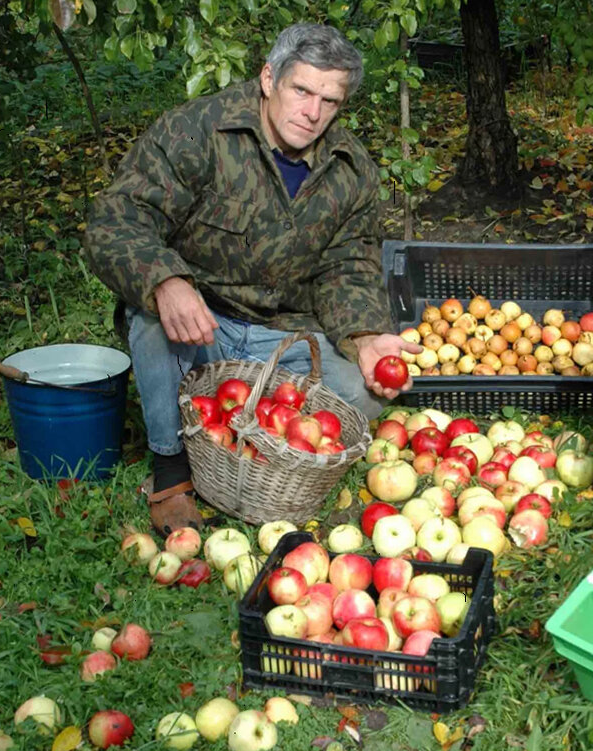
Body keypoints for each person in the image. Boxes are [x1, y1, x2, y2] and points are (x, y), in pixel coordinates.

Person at [85, 23, 420, 535]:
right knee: (153, 319)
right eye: (301, 90)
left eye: (329, 101)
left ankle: (260, 440)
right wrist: (166, 282)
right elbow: (118, 219)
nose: (312, 113)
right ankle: (172, 470)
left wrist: (364, 336)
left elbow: (347, 265)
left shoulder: (350, 167)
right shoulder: (199, 131)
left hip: (283, 332)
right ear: (269, 79)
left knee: (362, 390)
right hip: (203, 321)